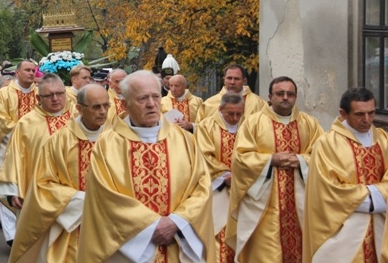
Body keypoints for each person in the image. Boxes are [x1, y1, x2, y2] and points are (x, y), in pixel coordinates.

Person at [78, 70, 214, 262]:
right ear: (125, 104)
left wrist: (176, 222)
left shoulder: (184, 139)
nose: (151, 104)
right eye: (142, 98)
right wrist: (151, 226)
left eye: (156, 96)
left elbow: (202, 186)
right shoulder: (107, 144)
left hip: (177, 244)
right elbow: (105, 197)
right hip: (129, 250)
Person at [226, 76, 323, 263]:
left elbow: (324, 156)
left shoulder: (310, 124)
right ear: (270, 97)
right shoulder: (253, 123)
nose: (285, 97)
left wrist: (301, 160)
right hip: (264, 208)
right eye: (280, 94)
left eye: (290, 94)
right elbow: (240, 159)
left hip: (301, 206)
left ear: (296, 97)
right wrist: (271, 160)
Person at [10, 84, 109, 262]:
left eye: (106, 105)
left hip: (108, 226)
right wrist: (83, 201)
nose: (102, 112)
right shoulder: (60, 141)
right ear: (79, 108)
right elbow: (43, 184)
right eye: (96, 107)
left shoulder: (115, 140)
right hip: (70, 227)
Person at [303, 87, 388, 262]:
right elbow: (327, 192)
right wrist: (378, 196)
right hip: (345, 232)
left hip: (381, 228)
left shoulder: (383, 139)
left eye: (371, 113)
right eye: (359, 114)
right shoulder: (327, 144)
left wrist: (370, 195)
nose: (367, 120)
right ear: (343, 113)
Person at [0, 59, 38, 246]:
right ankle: (12, 236)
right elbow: (0, 120)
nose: (31, 73)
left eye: (33, 70)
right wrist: (24, 131)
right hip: (8, 150)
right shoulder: (4, 93)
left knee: (30, 191)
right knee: (8, 190)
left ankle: (29, 232)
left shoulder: (40, 93)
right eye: (27, 70)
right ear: (17, 73)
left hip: (34, 151)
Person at [0, 73, 75, 214]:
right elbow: (14, 158)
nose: (55, 99)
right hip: (37, 193)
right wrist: (12, 191)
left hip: (74, 192)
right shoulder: (26, 124)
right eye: (49, 95)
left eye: (59, 93)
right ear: (38, 98)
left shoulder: (78, 117)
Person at [195, 93, 244, 263]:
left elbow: (256, 154)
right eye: (230, 113)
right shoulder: (205, 127)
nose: (235, 118)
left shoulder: (249, 126)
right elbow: (203, 155)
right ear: (220, 109)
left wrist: (239, 177)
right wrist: (225, 176)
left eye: (239, 113)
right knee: (219, 235)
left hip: (244, 190)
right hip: (217, 190)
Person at [196, 64, 265, 121]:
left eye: (236, 79)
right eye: (229, 78)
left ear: (244, 81)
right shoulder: (208, 104)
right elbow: (200, 130)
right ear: (224, 80)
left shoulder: (258, 104)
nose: (232, 82)